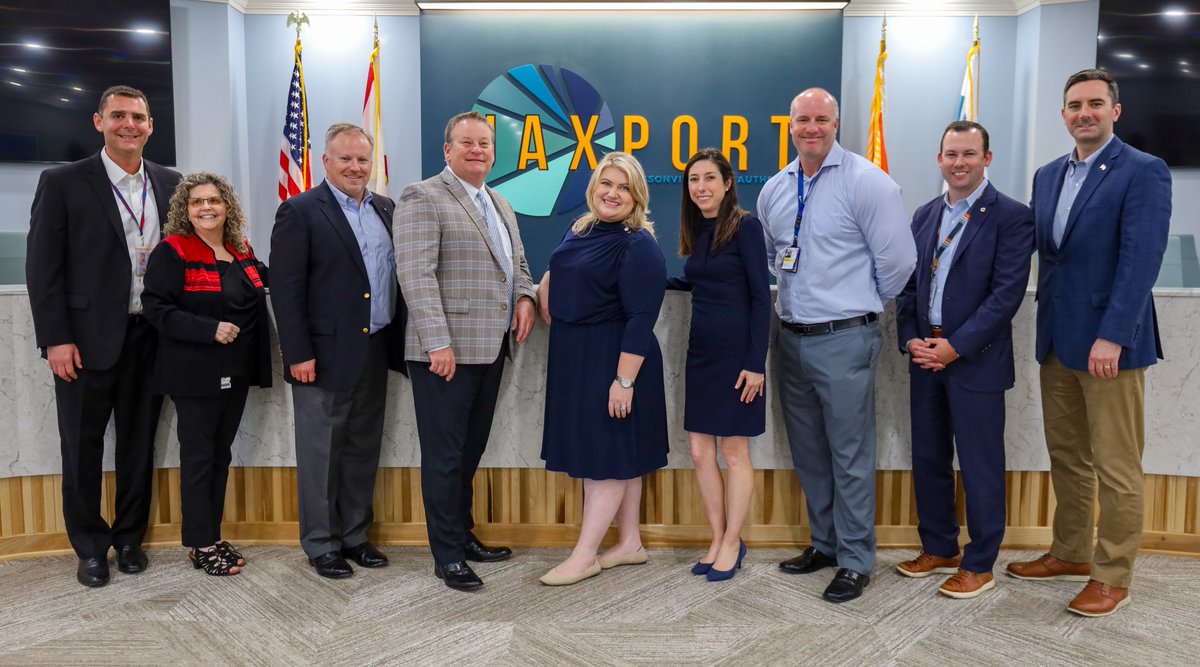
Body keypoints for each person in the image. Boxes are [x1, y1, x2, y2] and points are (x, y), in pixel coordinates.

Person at [1006, 69, 1172, 617]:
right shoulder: (1047, 175)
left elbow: (1139, 261)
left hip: (1110, 348)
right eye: (1075, 104)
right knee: (1068, 457)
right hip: (1056, 339)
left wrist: (1112, 336)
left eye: (1095, 103)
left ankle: (1113, 574)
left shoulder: (1143, 171)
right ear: (1063, 114)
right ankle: (1071, 552)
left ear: (1115, 111)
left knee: (1117, 465)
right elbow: (1045, 254)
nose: (1085, 113)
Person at [758, 87, 916, 603]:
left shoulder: (868, 183)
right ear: (789, 124)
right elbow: (770, 256)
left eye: (821, 119)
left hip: (846, 337)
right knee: (809, 453)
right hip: (792, 338)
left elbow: (898, 265)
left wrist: (860, 302)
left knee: (849, 454)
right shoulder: (776, 189)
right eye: (801, 119)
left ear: (836, 121)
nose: (811, 128)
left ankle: (854, 559)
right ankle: (823, 545)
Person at [26, 85, 182, 587]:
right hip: (85, 344)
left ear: (151, 125)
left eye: (138, 116)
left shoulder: (171, 182)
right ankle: (90, 547)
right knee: (82, 448)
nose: (128, 125)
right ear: (99, 122)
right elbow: (43, 269)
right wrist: (56, 339)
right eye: (118, 116)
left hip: (150, 339)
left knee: (138, 445)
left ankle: (130, 539)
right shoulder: (64, 182)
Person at [395, 111, 537, 592]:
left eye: (485, 144)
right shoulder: (423, 195)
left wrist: (524, 297)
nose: (477, 150)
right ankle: (447, 555)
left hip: (491, 348)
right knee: (445, 456)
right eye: (467, 142)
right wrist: (437, 341)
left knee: (469, 452)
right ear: (447, 150)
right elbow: (415, 274)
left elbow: (517, 263)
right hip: (445, 353)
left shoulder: (500, 203)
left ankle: (463, 534)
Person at [894, 121, 1034, 599]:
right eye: (951, 154)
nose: (959, 163)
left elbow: (1005, 295)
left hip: (976, 360)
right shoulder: (924, 214)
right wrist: (911, 339)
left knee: (980, 465)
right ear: (939, 159)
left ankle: (980, 562)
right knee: (929, 457)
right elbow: (909, 287)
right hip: (925, 357)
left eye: (969, 154)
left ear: (986, 159)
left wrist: (956, 346)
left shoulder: (1012, 216)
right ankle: (939, 547)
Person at [270, 123, 407, 579]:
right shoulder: (301, 210)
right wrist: (298, 354)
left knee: (361, 448)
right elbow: (285, 291)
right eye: (345, 159)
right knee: (320, 453)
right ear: (325, 161)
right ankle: (321, 543)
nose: (355, 167)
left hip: (375, 347)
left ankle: (354, 536)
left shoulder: (387, 208)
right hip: (321, 357)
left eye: (362, 160)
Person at [537, 151, 668, 586]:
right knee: (619, 455)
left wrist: (624, 381)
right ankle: (629, 542)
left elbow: (642, 317)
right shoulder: (581, 228)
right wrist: (543, 292)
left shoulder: (638, 245)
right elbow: (560, 269)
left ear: (637, 197)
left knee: (605, 458)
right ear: (594, 187)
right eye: (606, 184)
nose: (613, 193)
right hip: (576, 354)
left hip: (615, 358)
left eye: (624, 187)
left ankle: (585, 555)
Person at [142, 173, 272, 576]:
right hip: (194, 372)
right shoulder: (173, 250)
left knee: (220, 454)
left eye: (214, 200)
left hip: (236, 369)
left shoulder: (241, 250)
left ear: (226, 206)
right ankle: (200, 543)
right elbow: (156, 307)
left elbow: (268, 283)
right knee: (199, 457)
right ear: (185, 210)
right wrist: (208, 329)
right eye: (197, 202)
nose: (206, 208)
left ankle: (212, 535)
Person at [666, 148, 770, 581]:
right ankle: (716, 536)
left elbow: (762, 298)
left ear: (728, 183)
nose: (701, 187)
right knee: (698, 451)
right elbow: (693, 280)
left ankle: (733, 541)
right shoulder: (699, 231)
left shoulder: (746, 227)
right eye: (693, 180)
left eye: (710, 178)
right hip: (701, 354)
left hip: (737, 358)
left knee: (733, 450)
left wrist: (755, 363)